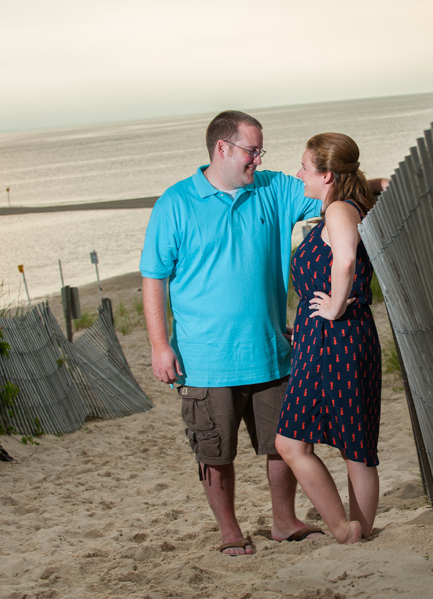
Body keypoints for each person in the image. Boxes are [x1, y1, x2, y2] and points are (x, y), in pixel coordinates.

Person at [139, 110, 326, 556]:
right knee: (215, 453)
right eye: (251, 151)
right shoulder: (175, 203)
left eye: (261, 151)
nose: (257, 160)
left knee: (285, 444)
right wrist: (160, 346)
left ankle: (284, 521)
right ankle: (230, 532)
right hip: (205, 361)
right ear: (223, 148)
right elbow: (153, 278)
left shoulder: (272, 189)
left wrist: (379, 186)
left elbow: (330, 192)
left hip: (271, 352)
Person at [275, 133, 382, 545]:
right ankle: (358, 531)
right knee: (353, 443)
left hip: (335, 337)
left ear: (327, 176)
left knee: (293, 443)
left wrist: (335, 306)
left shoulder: (338, 209)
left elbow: (347, 259)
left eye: (304, 166)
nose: (298, 173)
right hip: (333, 336)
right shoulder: (351, 204)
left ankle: (344, 529)